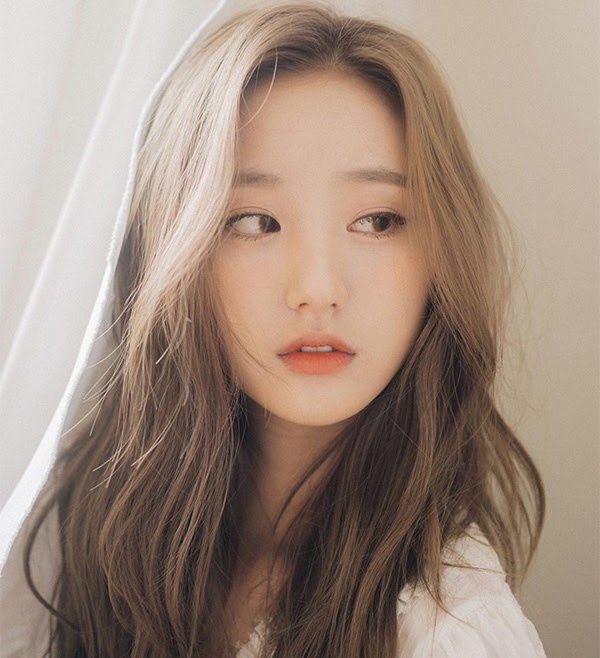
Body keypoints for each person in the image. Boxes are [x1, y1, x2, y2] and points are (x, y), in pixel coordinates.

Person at [1, 2, 547, 656]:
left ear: (442, 251)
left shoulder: (448, 629)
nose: (316, 287)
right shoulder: (76, 532)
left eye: (377, 221)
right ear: (177, 250)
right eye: (255, 222)